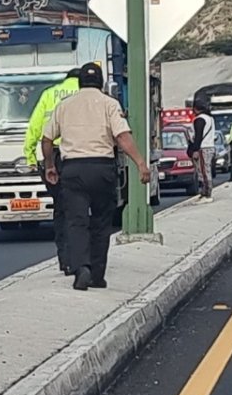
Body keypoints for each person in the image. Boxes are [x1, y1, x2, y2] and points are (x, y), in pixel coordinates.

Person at [42, 62, 152, 291]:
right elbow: (122, 136)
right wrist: (141, 163)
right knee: (102, 221)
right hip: (102, 168)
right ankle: (98, 274)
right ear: (101, 82)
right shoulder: (109, 104)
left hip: (73, 169)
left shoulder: (64, 106)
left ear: (80, 82)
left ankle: (81, 267)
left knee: (76, 221)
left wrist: (50, 166)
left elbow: (47, 139)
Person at [24, 68, 81, 274]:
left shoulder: (49, 94)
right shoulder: (88, 92)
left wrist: (30, 157)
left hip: (53, 157)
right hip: (80, 155)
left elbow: (34, 127)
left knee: (61, 209)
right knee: (80, 209)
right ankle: (81, 259)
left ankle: (64, 260)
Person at [188, 100, 216, 202]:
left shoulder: (199, 120)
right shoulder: (210, 119)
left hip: (203, 148)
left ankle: (207, 194)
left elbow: (198, 136)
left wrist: (195, 149)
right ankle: (204, 192)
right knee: (205, 170)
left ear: (196, 109)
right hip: (210, 147)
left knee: (204, 171)